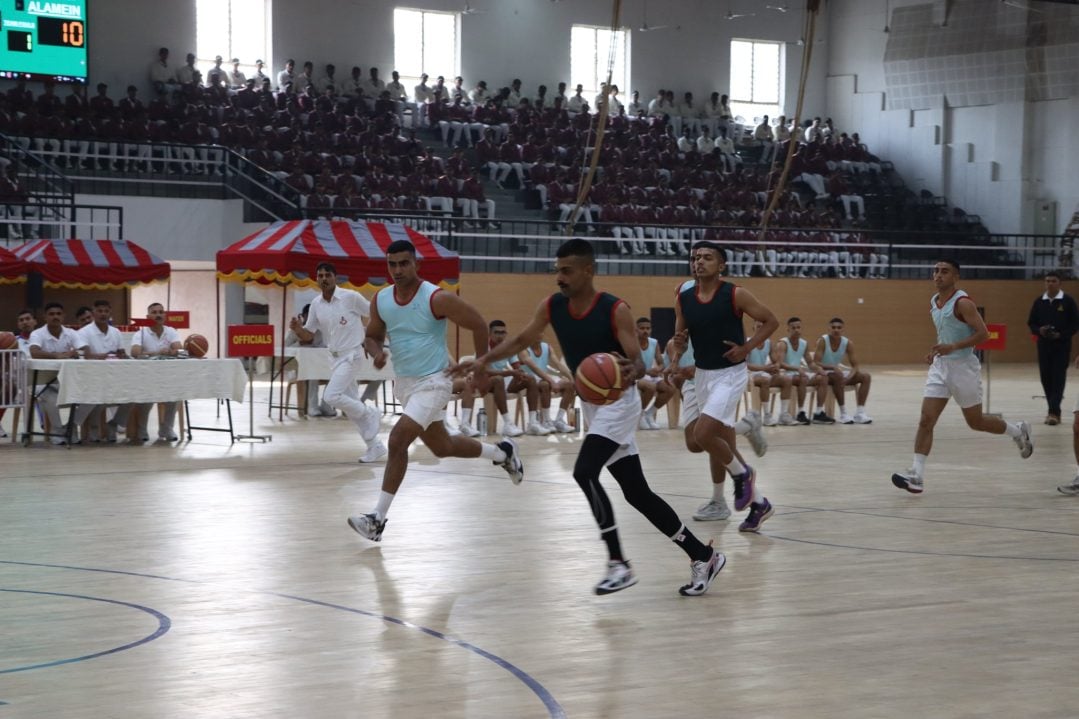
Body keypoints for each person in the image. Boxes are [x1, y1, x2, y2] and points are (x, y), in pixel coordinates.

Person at [456, 238, 725, 597]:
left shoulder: (615, 309)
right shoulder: (552, 306)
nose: (560, 278)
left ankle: (618, 563)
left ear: (588, 270)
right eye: (557, 271)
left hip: (619, 401)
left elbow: (638, 359)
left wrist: (634, 367)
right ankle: (702, 554)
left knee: (584, 472)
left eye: (566, 271)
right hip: (593, 404)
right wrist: (483, 361)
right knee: (637, 493)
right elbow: (522, 339)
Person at [347, 239, 524, 542]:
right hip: (406, 384)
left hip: (435, 381)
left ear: (417, 264)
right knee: (442, 447)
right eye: (392, 264)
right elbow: (372, 336)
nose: (398, 270)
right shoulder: (381, 299)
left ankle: (377, 519)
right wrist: (375, 351)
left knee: (398, 439)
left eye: (404, 263)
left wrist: (480, 369)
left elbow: (480, 325)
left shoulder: (436, 298)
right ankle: (502, 452)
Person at [892, 260, 1034, 494]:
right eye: (936, 271)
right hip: (941, 366)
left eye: (944, 271)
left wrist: (954, 346)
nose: (938, 275)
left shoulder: (963, 303)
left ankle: (1018, 431)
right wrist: (938, 350)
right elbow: (944, 333)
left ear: (955, 276)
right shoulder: (934, 301)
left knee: (975, 422)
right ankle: (916, 475)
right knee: (926, 420)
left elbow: (984, 334)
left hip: (963, 367)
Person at [670, 242, 778, 533]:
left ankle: (743, 475)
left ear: (721, 266)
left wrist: (747, 348)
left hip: (730, 375)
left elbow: (770, 321)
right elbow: (678, 337)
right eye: (695, 258)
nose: (699, 262)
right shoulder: (684, 295)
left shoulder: (735, 294)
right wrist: (674, 356)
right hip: (702, 376)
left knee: (705, 433)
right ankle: (760, 503)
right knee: (698, 442)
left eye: (707, 258)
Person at [288, 263, 384, 461]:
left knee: (331, 396)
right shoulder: (315, 304)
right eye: (320, 275)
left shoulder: (351, 297)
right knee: (350, 406)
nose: (324, 278)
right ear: (317, 279)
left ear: (335, 277)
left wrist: (373, 341)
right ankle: (374, 446)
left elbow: (374, 314)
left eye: (327, 275)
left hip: (353, 355)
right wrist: (297, 329)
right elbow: (308, 335)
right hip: (334, 358)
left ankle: (370, 412)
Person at [28, 302, 87, 444]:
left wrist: (73, 352)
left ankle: (71, 426)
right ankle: (57, 431)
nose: (55, 317)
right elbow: (34, 352)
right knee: (51, 397)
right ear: (45, 317)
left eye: (59, 314)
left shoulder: (71, 333)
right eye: (52, 314)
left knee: (91, 395)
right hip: (42, 382)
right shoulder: (37, 333)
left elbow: (83, 349)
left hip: (68, 381)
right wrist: (57, 356)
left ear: (63, 316)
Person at [1027, 271, 1079, 425]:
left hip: (1061, 346)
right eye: (1047, 281)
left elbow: (1075, 324)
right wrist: (1040, 330)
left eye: (1053, 281)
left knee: (1058, 377)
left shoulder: (1068, 301)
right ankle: (1053, 409)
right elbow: (1031, 323)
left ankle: (1054, 412)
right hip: (1043, 346)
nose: (1050, 283)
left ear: (1059, 283)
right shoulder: (1039, 302)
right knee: (1046, 378)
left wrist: (1061, 335)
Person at [127, 302, 183, 442]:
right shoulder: (141, 333)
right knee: (147, 398)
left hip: (167, 376)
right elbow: (135, 352)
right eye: (154, 312)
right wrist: (156, 352)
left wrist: (171, 351)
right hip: (146, 376)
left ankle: (166, 428)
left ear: (165, 315)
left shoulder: (171, 331)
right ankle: (142, 429)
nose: (158, 315)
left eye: (160, 312)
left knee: (175, 396)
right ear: (148, 316)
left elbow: (179, 350)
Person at [74, 299, 128, 442]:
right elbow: (88, 355)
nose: (103, 314)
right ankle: (74, 425)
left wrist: (122, 356)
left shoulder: (116, 332)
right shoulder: (83, 332)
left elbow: (122, 354)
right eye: (99, 311)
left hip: (113, 377)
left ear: (110, 313)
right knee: (96, 393)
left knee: (134, 394)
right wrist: (106, 355)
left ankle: (114, 424)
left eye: (106, 311)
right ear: (93, 313)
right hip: (89, 378)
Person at [812, 317, 873, 424]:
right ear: (828, 329)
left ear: (843, 330)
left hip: (837, 373)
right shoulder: (822, 341)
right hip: (824, 373)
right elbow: (816, 362)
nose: (836, 330)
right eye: (833, 327)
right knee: (838, 376)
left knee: (866, 377)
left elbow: (855, 366)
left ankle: (860, 412)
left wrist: (848, 377)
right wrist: (832, 367)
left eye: (839, 328)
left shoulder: (847, 343)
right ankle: (843, 413)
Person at [774, 317, 832, 424]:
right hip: (786, 375)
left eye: (798, 327)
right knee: (803, 378)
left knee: (822, 378)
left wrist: (818, 369)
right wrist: (797, 368)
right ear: (788, 330)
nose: (796, 330)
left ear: (801, 329)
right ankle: (801, 412)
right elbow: (780, 363)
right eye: (793, 328)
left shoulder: (804, 343)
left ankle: (819, 413)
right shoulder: (782, 343)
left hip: (799, 374)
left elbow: (810, 363)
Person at [516, 336, 576, 433]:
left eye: (541, 332)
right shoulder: (524, 350)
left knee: (569, 385)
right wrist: (551, 381)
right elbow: (535, 368)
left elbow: (558, 364)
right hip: (529, 381)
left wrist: (572, 378)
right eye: (536, 332)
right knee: (545, 384)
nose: (539, 334)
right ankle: (546, 420)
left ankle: (559, 420)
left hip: (544, 378)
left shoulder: (547, 347)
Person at [284, 303, 335, 417]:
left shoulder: (320, 332)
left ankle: (326, 404)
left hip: (319, 366)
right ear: (303, 316)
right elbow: (285, 351)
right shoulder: (293, 331)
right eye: (310, 316)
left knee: (336, 372)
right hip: (297, 368)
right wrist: (300, 343)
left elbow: (325, 348)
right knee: (314, 371)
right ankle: (312, 406)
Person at [746, 318, 795, 427]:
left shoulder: (769, 343)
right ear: (753, 328)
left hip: (764, 373)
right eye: (758, 327)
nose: (760, 329)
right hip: (749, 375)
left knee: (786, 379)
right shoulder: (747, 342)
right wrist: (764, 368)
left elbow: (776, 361)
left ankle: (783, 414)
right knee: (765, 380)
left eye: (762, 327)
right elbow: (745, 365)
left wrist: (776, 367)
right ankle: (767, 415)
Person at [634, 316, 675, 430]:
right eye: (642, 328)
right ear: (636, 330)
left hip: (649, 375)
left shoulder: (654, 342)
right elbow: (630, 364)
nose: (645, 331)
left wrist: (658, 369)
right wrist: (647, 371)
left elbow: (661, 363)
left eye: (648, 328)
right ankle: (640, 415)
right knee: (650, 387)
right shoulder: (632, 343)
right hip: (634, 376)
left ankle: (649, 414)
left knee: (670, 388)